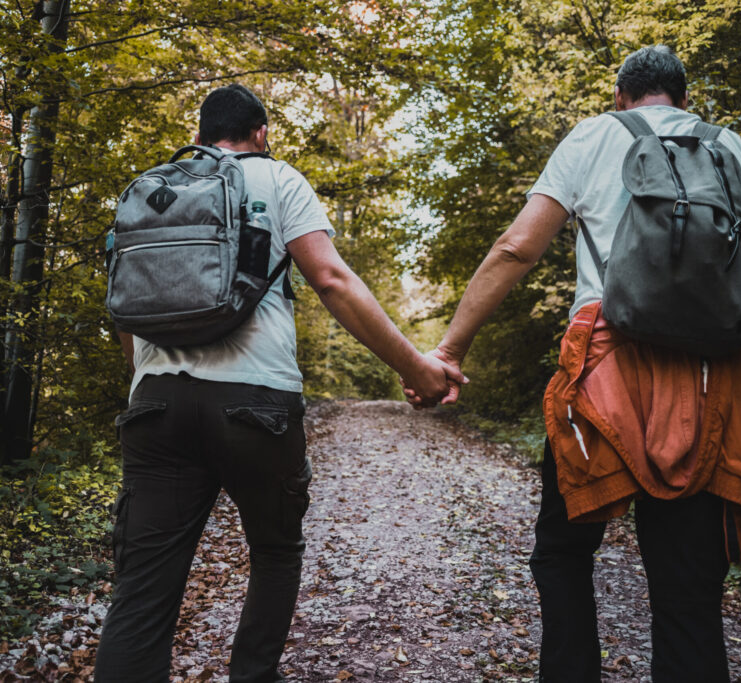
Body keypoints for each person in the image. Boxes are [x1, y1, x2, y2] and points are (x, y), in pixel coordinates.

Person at [405, 46, 741, 681]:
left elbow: (516, 248)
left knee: (563, 550)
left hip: (601, 368)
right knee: (688, 583)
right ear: (684, 98)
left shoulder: (593, 136)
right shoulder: (728, 146)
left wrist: (448, 351)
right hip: (710, 375)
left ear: (620, 96)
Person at [94, 83, 464, 683]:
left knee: (142, 588)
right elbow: (333, 281)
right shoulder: (277, 178)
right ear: (261, 134)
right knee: (273, 551)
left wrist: (147, 383)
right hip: (255, 404)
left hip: (155, 403)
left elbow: (123, 308)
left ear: (198, 135)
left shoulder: (153, 190)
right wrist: (417, 369)